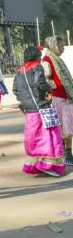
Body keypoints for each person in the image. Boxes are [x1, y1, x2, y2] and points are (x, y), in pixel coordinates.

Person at [12, 45, 64, 177]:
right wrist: (49, 89)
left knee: (34, 137)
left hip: (29, 110)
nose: (41, 57)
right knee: (50, 135)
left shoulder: (19, 70)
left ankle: (36, 164)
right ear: (36, 56)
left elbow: (15, 90)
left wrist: (25, 101)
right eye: (39, 55)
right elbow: (39, 83)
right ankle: (47, 165)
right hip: (41, 107)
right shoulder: (37, 66)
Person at [42, 36, 73, 166]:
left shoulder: (57, 59)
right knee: (62, 127)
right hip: (57, 98)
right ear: (54, 46)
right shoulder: (47, 60)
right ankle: (63, 154)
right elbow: (45, 79)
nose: (63, 48)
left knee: (69, 125)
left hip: (65, 97)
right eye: (60, 46)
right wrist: (55, 86)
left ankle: (68, 152)